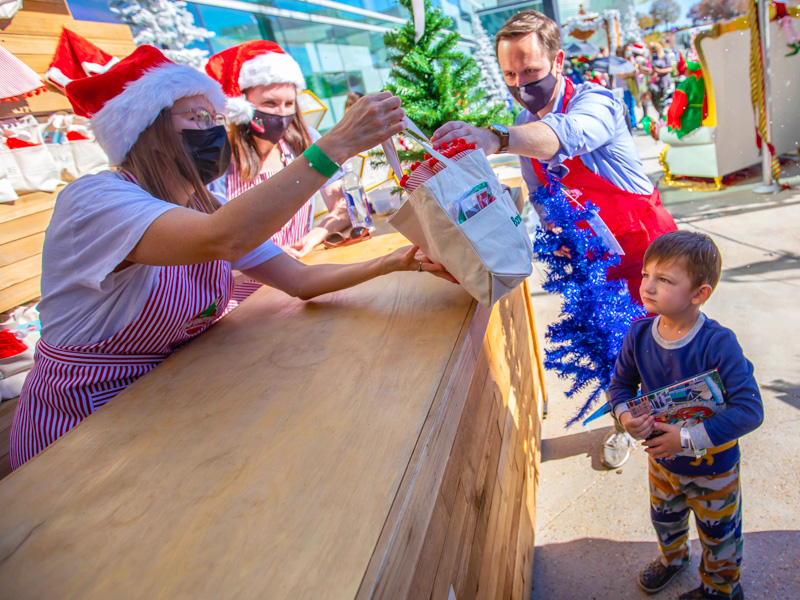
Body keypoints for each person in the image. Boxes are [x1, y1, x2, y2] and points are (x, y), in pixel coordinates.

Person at [9, 46, 453, 469]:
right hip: (79, 424)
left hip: (157, 402)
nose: (213, 130)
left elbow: (299, 280)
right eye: (197, 117)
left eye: (216, 117)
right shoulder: (96, 200)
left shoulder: (200, 208)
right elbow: (223, 238)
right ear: (147, 129)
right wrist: (334, 145)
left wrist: (396, 260)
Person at [431, 9, 678, 468]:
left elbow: (568, 135)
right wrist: (551, 230)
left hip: (647, 248)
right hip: (591, 259)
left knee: (667, 346)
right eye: (509, 74)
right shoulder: (523, 119)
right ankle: (627, 424)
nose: (520, 83)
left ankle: (685, 430)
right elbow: (543, 193)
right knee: (613, 351)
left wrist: (496, 137)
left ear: (558, 61)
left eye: (531, 71)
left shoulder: (596, 101)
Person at [608, 231, 762, 600]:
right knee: (665, 522)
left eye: (664, 280)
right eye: (647, 275)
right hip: (663, 467)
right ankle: (673, 560)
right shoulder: (638, 335)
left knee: (720, 535)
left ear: (699, 294)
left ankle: (721, 589)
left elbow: (750, 410)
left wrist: (687, 438)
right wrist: (626, 417)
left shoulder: (718, 342)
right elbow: (620, 387)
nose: (648, 286)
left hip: (715, 471)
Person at [205, 41, 349, 261]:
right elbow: (216, 242)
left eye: (289, 103)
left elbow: (342, 205)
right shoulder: (221, 158)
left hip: (302, 270)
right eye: (270, 103)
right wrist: (267, 257)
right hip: (247, 287)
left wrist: (316, 235)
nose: (282, 114)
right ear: (243, 105)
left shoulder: (307, 140)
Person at [644, 42, 674, 117]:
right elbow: (651, 70)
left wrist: (659, 70)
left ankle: (663, 117)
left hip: (664, 82)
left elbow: (670, 68)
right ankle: (660, 115)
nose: (654, 51)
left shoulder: (665, 57)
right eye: (652, 50)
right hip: (655, 83)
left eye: (655, 49)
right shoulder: (652, 58)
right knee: (655, 100)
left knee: (663, 101)